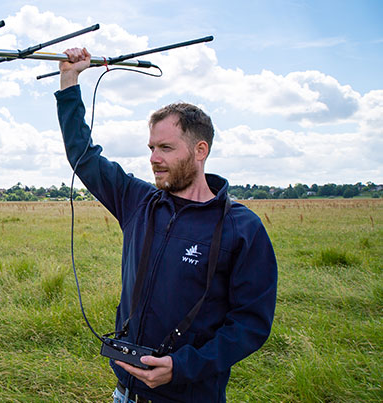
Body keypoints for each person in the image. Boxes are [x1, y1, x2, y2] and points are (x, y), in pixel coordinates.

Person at [55, 48, 277, 402]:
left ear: (200, 150)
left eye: (166, 148)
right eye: (152, 147)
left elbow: (251, 324)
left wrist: (182, 365)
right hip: (125, 393)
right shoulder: (137, 201)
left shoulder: (242, 228)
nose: (154, 159)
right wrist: (70, 81)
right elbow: (84, 156)